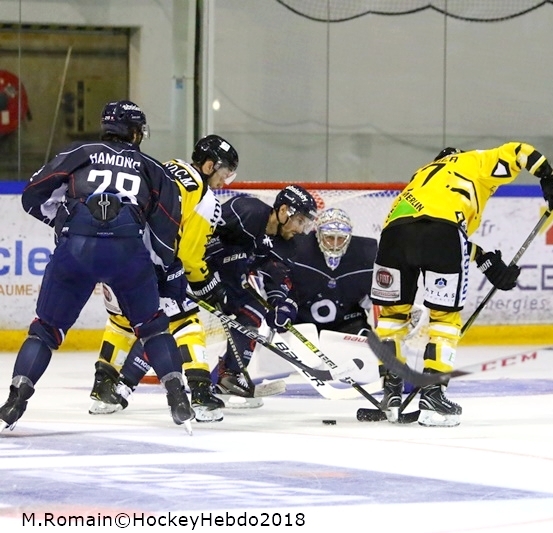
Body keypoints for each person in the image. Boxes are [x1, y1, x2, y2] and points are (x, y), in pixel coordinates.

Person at [0, 100, 194, 432]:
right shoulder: (153, 168)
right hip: (127, 255)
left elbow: (32, 194)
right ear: (135, 132)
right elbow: (165, 237)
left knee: (45, 330)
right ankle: (179, 401)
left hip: (76, 250)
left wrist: (64, 222)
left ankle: (15, 401)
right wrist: (167, 270)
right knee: (153, 329)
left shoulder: (81, 152)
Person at [371, 144, 553, 428]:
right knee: (443, 319)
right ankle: (432, 395)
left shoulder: (420, 179)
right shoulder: (471, 161)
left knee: (393, 315)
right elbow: (519, 150)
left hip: (393, 236)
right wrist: (549, 176)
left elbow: (426, 227)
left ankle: (390, 395)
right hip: (443, 233)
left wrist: (486, 262)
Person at [88, 134, 239, 423]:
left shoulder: (167, 165)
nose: (224, 181)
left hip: (108, 250)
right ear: (209, 166)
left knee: (121, 322)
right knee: (185, 320)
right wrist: (206, 286)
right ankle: (201, 395)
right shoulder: (204, 197)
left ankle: (102, 391)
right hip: (150, 265)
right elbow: (190, 257)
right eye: (224, 173)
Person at [202, 184, 318, 407]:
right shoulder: (247, 210)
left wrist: (282, 306)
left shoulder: (285, 245)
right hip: (196, 269)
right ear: (284, 211)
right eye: (300, 220)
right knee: (170, 317)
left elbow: (277, 275)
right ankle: (123, 377)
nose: (302, 229)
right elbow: (203, 228)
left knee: (254, 313)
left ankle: (229, 378)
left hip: (228, 280)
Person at [286, 207, 377, 336]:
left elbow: (373, 301)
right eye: (329, 237)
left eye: (340, 238)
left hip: (347, 325)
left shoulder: (366, 255)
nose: (334, 244)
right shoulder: (296, 250)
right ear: (318, 234)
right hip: (301, 324)